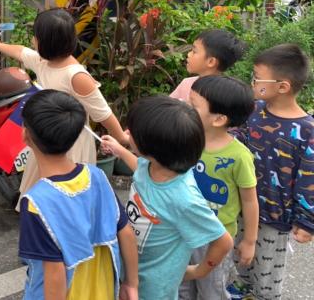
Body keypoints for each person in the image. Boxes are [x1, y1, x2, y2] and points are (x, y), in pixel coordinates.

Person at [0, 8, 128, 208]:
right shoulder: (43, 62)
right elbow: (20, 51)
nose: (33, 41)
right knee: (44, 199)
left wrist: (122, 139)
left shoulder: (76, 76)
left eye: (35, 37)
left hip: (71, 145)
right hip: (45, 140)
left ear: (45, 42)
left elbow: (103, 113)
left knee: (68, 201)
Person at [101, 96, 233, 300]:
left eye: (132, 132)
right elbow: (139, 169)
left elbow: (223, 241)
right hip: (131, 269)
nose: (127, 133)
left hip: (156, 287)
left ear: (152, 148)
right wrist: (119, 150)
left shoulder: (184, 198)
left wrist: (198, 271)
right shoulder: (153, 165)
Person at [18, 89, 139, 300]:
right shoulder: (96, 176)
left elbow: (54, 273)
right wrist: (131, 284)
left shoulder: (36, 203)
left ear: (25, 135)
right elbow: (125, 232)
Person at [229, 44, 314, 300]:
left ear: (283, 86)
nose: (252, 82)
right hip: (242, 205)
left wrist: (306, 221)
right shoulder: (254, 111)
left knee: (266, 279)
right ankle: (239, 290)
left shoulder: (307, 130)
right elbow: (236, 139)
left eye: (257, 78)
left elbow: (309, 179)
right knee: (239, 260)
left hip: (275, 216)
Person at [178, 76, 258, 300]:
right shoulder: (185, 139)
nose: (185, 107)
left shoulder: (239, 156)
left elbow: (250, 200)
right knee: (180, 285)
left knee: (211, 290)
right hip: (181, 230)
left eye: (193, 105)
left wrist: (249, 241)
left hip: (215, 239)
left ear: (219, 119)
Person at [170, 29, 245, 103]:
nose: (188, 54)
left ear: (211, 62)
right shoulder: (186, 84)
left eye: (194, 52)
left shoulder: (225, 96)